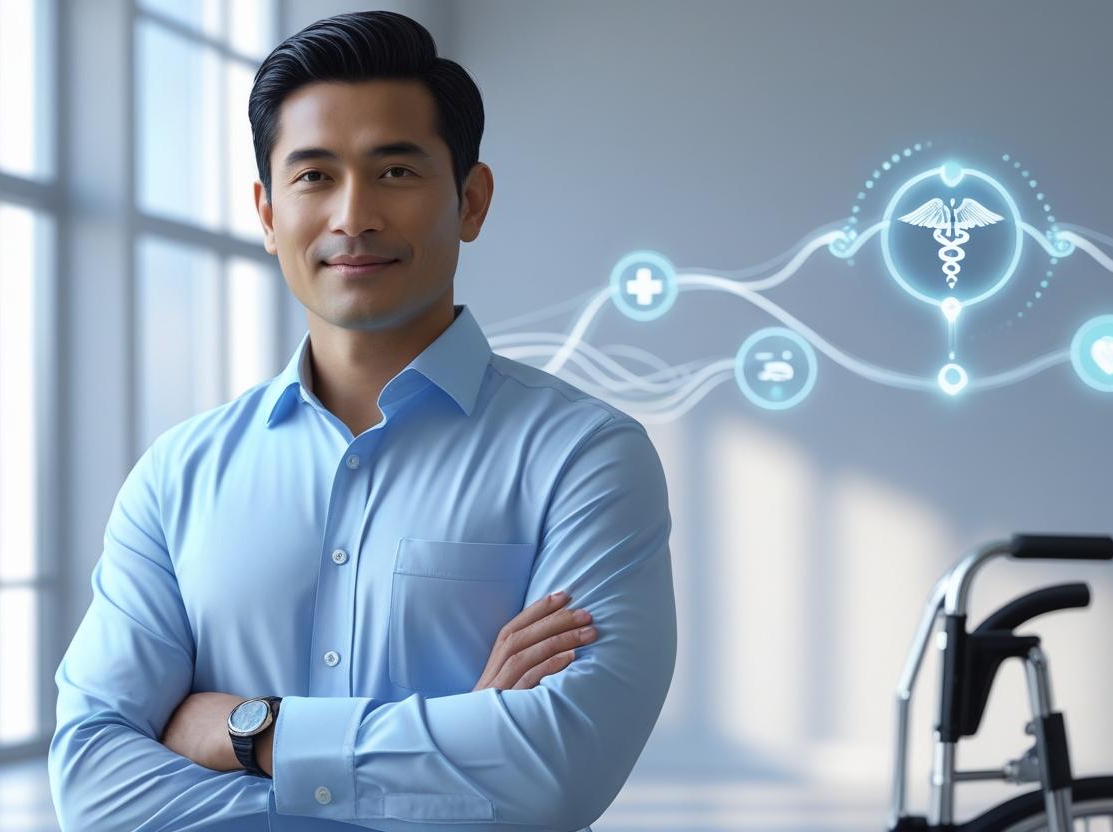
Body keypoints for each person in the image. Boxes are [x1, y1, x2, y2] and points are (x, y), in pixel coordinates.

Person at [49, 10, 676, 831]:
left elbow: (554, 771)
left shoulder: (585, 460)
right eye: (313, 176)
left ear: (471, 200)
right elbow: (95, 785)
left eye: (395, 172)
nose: (353, 216)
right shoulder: (178, 476)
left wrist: (255, 731)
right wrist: (458, 752)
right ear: (268, 213)